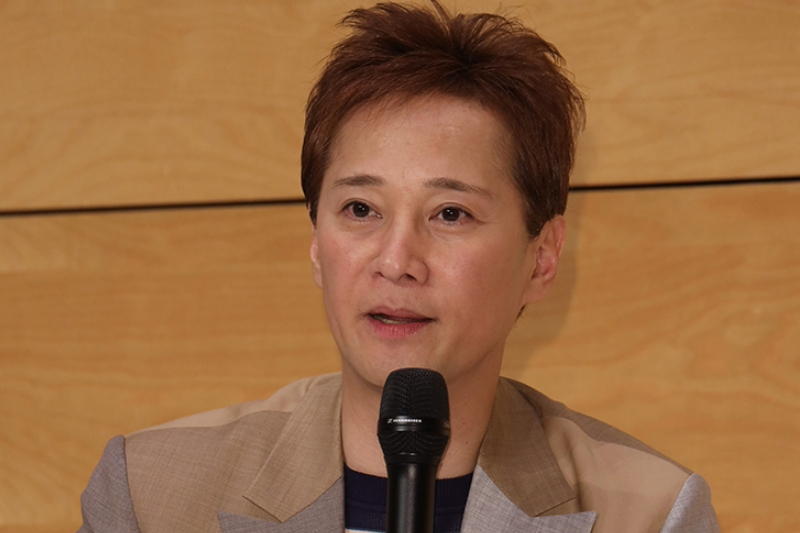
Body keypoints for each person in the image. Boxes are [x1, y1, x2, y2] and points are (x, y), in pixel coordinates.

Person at [78, 2, 720, 532]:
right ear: (316, 243)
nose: (395, 261)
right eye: (361, 209)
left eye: (450, 214)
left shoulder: (649, 514)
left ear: (542, 258)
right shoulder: (149, 497)